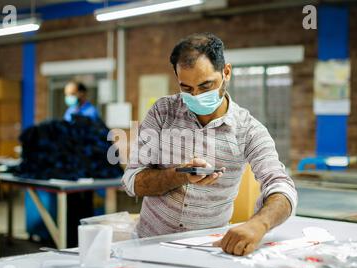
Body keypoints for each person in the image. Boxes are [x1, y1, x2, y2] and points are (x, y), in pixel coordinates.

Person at [122, 33, 298, 256]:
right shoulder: (162, 112)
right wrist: (181, 174)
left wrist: (259, 224)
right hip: (149, 243)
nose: (196, 96)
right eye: (187, 88)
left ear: (226, 72)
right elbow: (131, 181)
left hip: (208, 249)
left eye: (206, 86)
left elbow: (282, 187)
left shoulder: (248, 130)